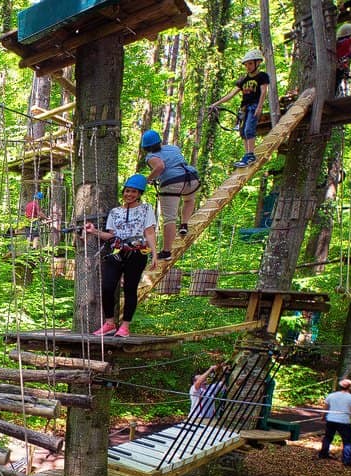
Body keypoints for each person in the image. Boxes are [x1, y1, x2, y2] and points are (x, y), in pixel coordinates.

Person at [81, 174, 157, 338]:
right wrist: (94, 231)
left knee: (130, 288)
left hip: (137, 253)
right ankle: (109, 323)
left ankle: (125, 326)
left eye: (134, 192)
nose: (130, 195)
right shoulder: (115, 212)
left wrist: (155, 254)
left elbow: (149, 233)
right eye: (128, 191)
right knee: (108, 287)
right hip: (117, 252)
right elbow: (111, 235)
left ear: (139, 194)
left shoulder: (146, 209)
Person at [140, 130, 200, 260]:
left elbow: (160, 166)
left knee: (170, 218)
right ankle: (184, 224)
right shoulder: (173, 148)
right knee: (189, 200)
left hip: (172, 183)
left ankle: (166, 252)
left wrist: (148, 179)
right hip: (192, 179)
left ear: (145, 147)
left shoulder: (150, 157)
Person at [210, 49, 270, 168]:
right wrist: (216, 103)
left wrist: (259, 107)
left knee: (249, 129)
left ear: (257, 63)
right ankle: (247, 155)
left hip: (254, 106)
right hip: (244, 108)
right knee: (242, 132)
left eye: (250, 64)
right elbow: (231, 94)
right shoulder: (243, 79)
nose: (248, 67)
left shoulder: (262, 76)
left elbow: (263, 92)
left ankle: (251, 155)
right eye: (246, 64)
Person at [318, 378, 351, 466]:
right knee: (347, 441)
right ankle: (346, 460)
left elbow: (325, 407)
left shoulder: (331, 395)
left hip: (331, 420)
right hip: (344, 422)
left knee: (328, 437)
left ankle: (323, 454)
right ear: (350, 387)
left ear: (340, 386)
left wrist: (322, 416)